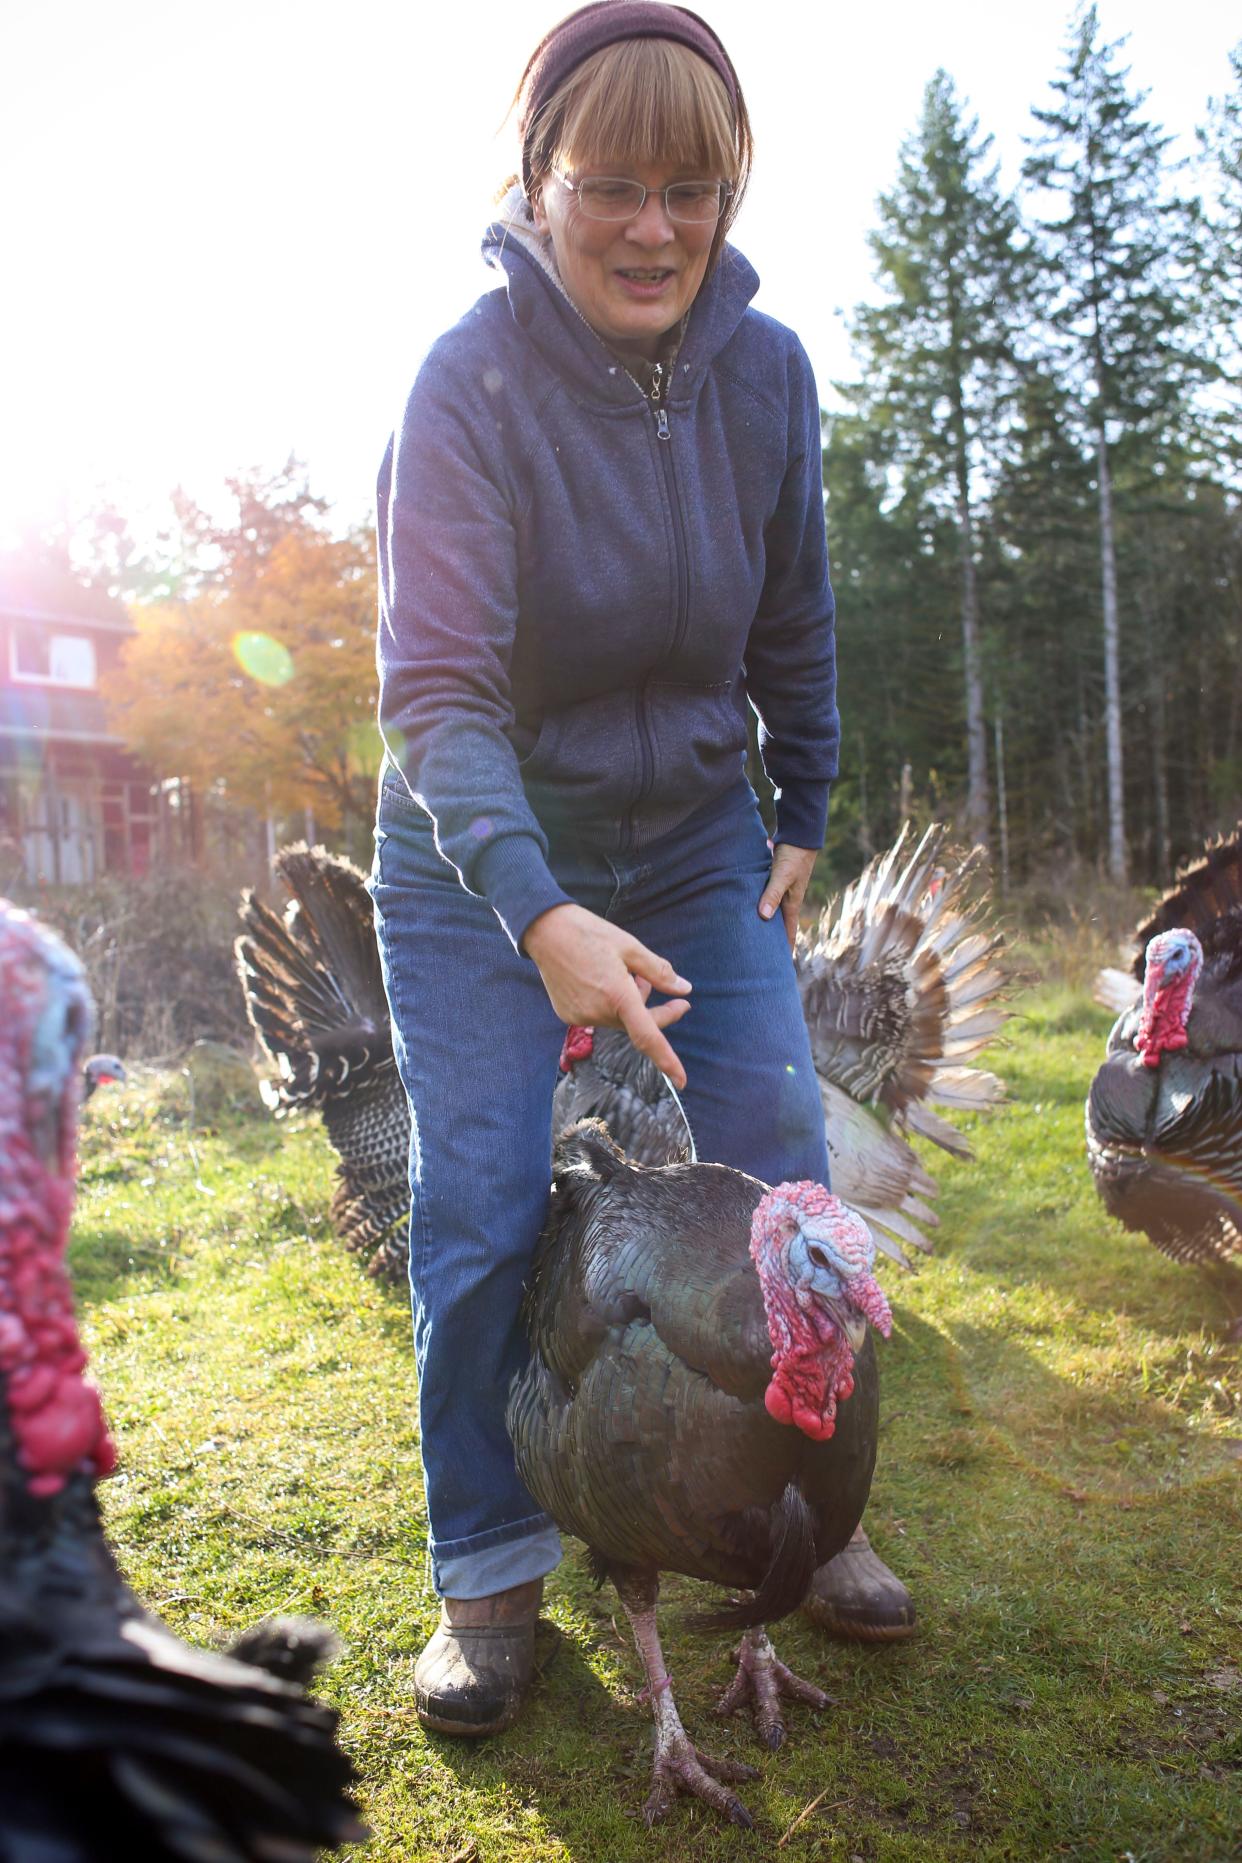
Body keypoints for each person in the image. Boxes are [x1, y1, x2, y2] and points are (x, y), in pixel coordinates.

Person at [371, 0, 914, 1740]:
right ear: (537, 184)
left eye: (696, 188)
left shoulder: (767, 375)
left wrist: (805, 800)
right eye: (612, 184)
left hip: (691, 841)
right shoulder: (465, 389)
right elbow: (437, 695)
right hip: (479, 861)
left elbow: (795, 613)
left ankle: (804, 1523)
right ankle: (490, 1567)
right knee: (475, 1201)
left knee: (779, 1182)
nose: (656, 228)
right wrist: (534, 914)